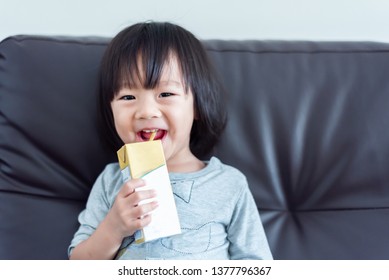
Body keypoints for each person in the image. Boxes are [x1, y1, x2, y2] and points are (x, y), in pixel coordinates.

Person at [68, 21, 272, 260]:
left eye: (165, 94)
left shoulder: (229, 184)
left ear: (197, 105)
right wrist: (114, 227)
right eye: (128, 96)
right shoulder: (111, 181)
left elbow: (257, 264)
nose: (146, 111)